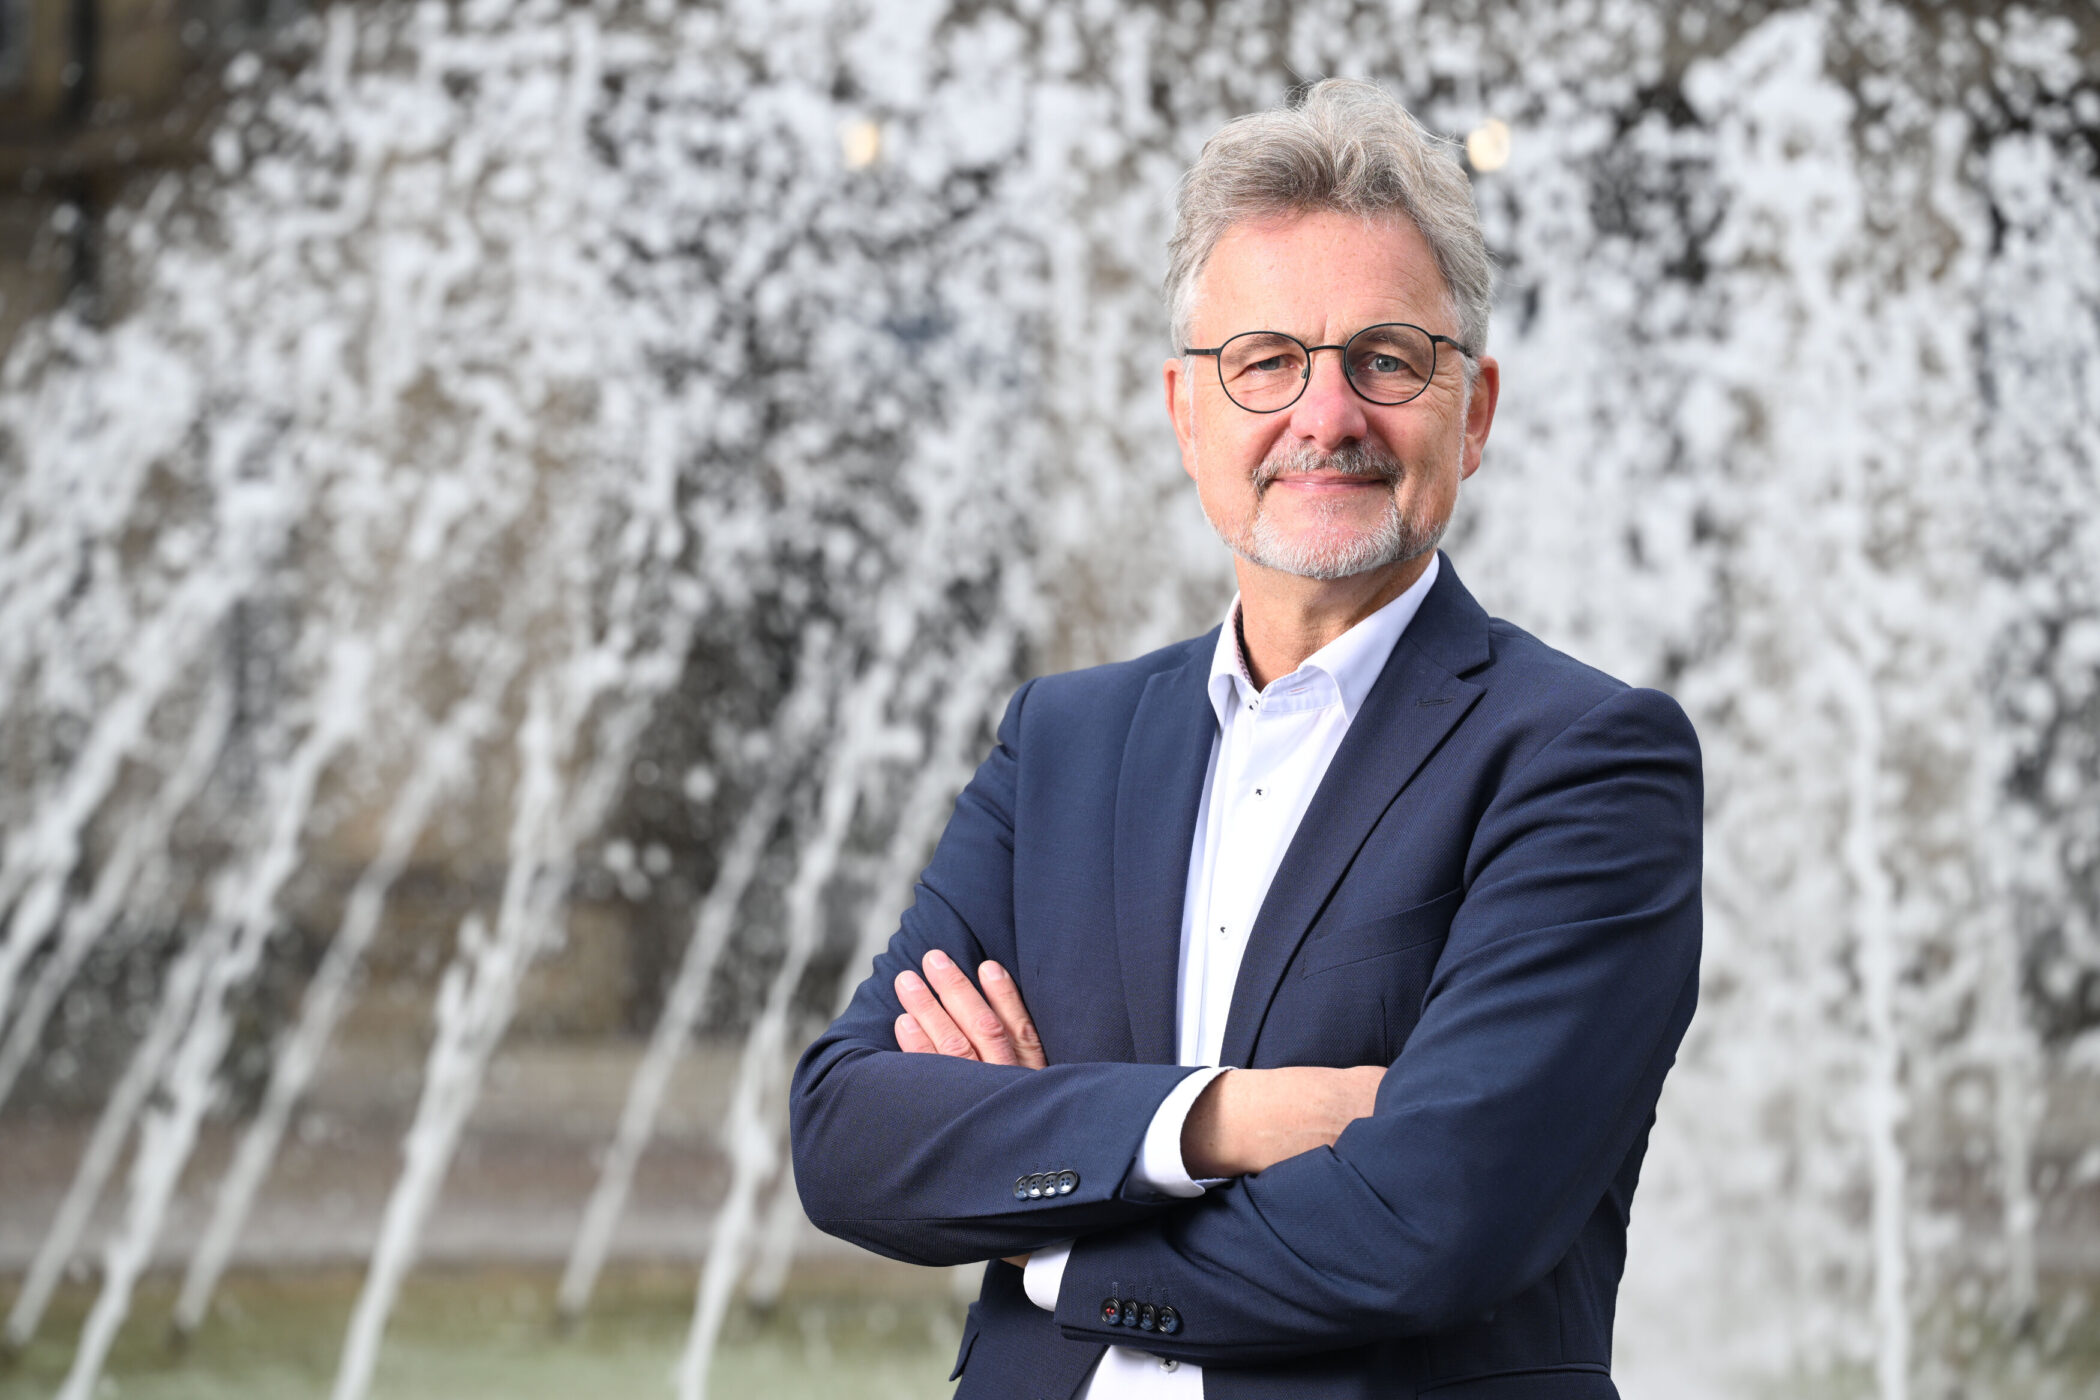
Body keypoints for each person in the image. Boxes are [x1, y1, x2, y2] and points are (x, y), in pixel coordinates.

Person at [788, 78, 1701, 1400]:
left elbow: (1429, 1222)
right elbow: (848, 1131)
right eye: (1266, 361)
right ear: (1186, 414)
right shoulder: (1064, 744)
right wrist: (1232, 1119)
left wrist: (1051, 1225)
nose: (1325, 416)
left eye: (1387, 360)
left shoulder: (1587, 762)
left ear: (1477, 411)